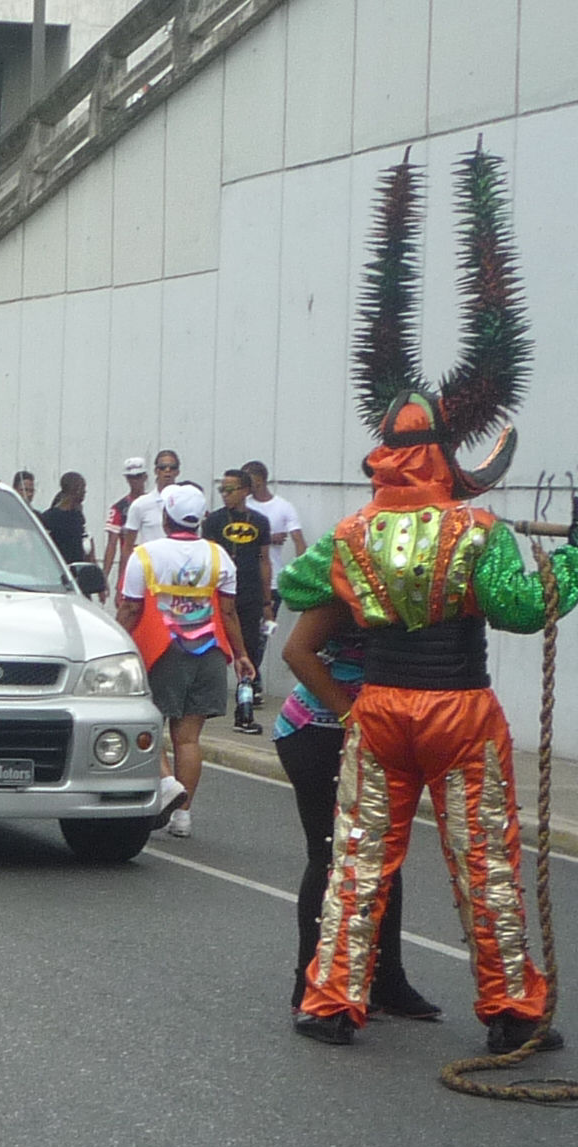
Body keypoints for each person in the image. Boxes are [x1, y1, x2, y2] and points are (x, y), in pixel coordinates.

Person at [279, 148, 568, 1055]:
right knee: (483, 863)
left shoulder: (352, 535)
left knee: (358, 862)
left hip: (377, 712)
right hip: (458, 711)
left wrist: (352, 688)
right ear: (445, 455)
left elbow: (295, 592)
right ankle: (512, 1012)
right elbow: (525, 612)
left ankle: (331, 1001)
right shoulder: (472, 534)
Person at [274, 608, 437, 1020]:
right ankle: (309, 985)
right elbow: (296, 652)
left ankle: (386, 981)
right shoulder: (345, 575)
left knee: (383, 858)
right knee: (331, 856)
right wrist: (352, 716)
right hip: (318, 730)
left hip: (379, 737)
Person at [115, 481, 257, 838]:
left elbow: (131, 608)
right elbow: (227, 612)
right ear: (201, 519)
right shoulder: (218, 555)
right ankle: (183, 817)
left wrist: (113, 642)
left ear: (166, 517)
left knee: (151, 725)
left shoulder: (145, 555)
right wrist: (241, 655)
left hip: (162, 651)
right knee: (189, 738)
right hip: (207, 651)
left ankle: (165, 782)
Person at [200, 469, 274, 733]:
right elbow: (206, 557)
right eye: (222, 490)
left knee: (249, 651)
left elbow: (264, 560)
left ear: (245, 490)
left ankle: (244, 710)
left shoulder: (260, 521)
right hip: (219, 593)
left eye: (230, 490)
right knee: (213, 646)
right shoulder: (214, 522)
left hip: (250, 593)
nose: (225, 495)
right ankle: (205, 703)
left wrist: (267, 602)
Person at [114, 448, 181, 590]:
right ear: (156, 471)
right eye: (163, 467)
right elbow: (127, 547)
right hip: (149, 574)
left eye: (172, 467)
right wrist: (122, 582)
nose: (167, 471)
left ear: (177, 472)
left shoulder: (186, 502)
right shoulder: (141, 504)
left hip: (180, 574)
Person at [244, 458, 305, 610]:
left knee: (266, 627)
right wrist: (268, 538)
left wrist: (299, 574)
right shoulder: (244, 505)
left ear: (258, 480)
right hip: (246, 578)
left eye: (246, 480)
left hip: (272, 579)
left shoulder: (283, 507)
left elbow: (299, 541)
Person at [100, 456, 149, 595]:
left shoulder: (156, 504)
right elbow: (111, 545)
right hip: (129, 568)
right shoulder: (119, 508)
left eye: (139, 476)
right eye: (132, 477)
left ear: (145, 477)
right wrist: (104, 579)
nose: (135, 481)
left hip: (153, 567)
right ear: (127, 479)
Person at [37, 472, 89, 566]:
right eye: (83, 488)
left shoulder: (77, 516)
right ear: (76, 489)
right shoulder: (50, 517)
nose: (85, 492)